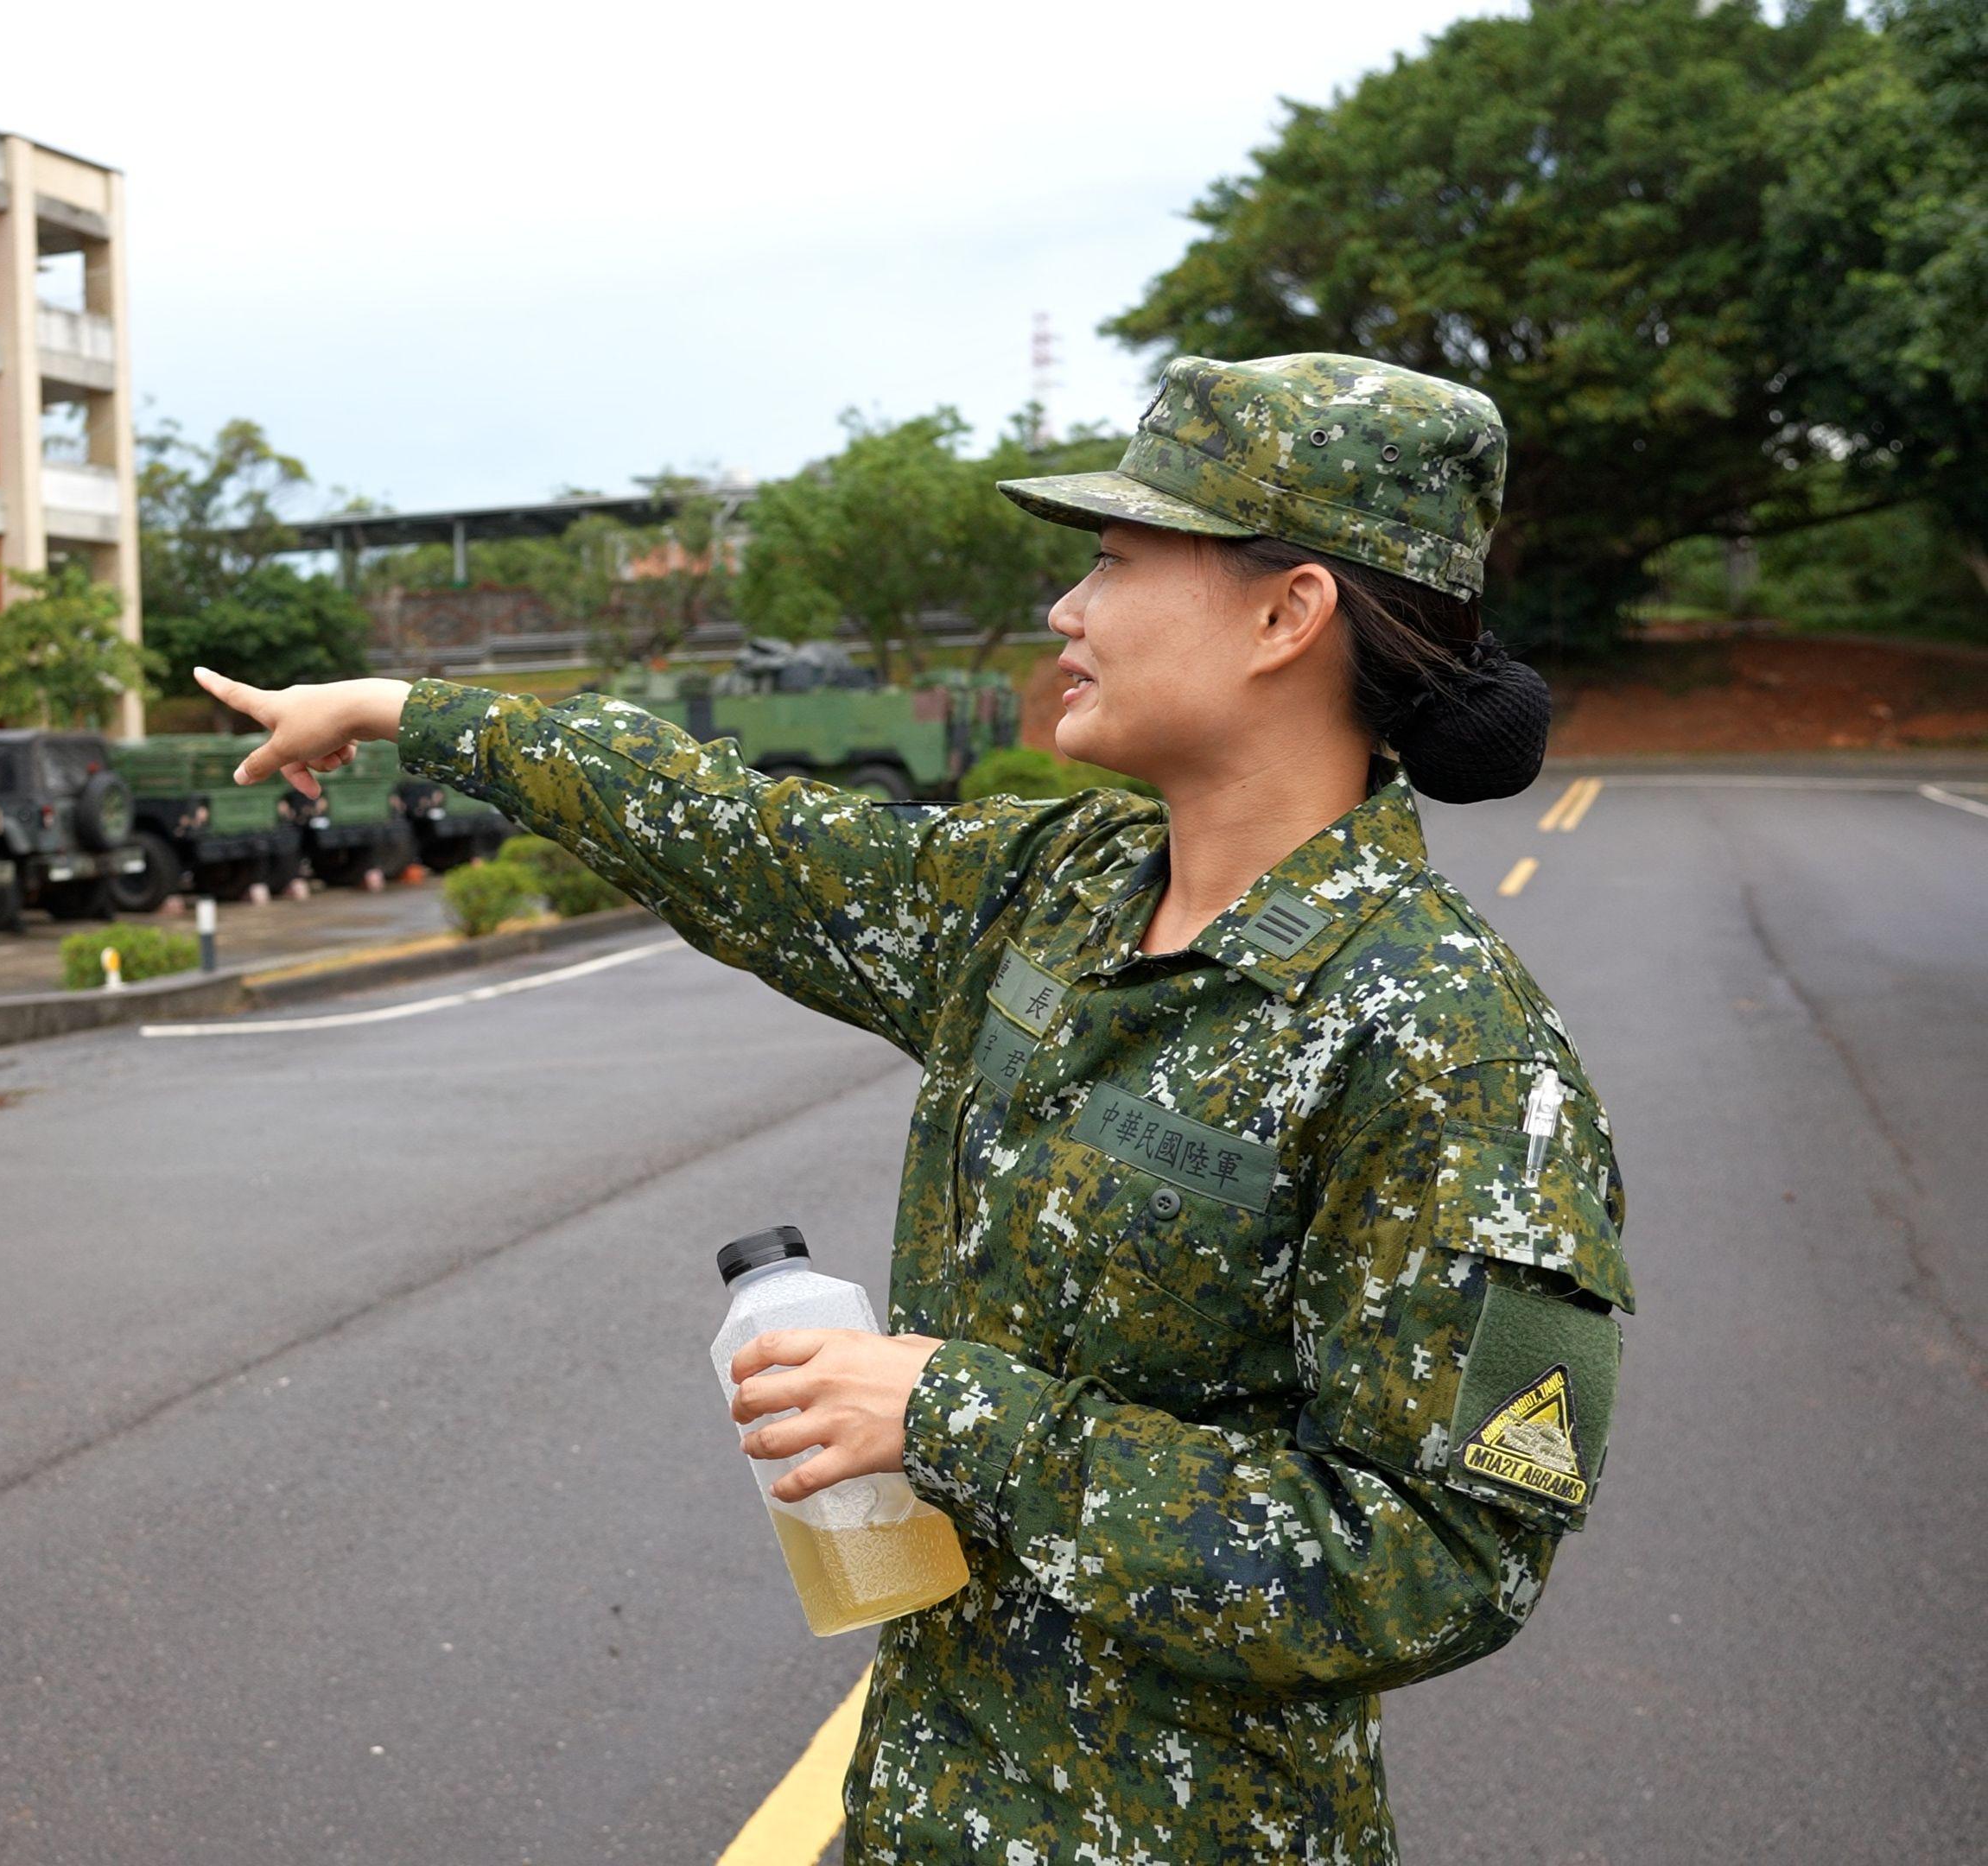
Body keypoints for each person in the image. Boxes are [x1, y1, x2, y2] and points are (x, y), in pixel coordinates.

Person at [195, 353, 1633, 1863]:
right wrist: (411, 711)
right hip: (921, 1813)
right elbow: (736, 835)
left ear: (1289, 613)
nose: (1068, 611)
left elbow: (1447, 1557)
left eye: (1119, 559)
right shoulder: (1054, 894)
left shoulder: (1450, 1050)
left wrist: (951, 1413)